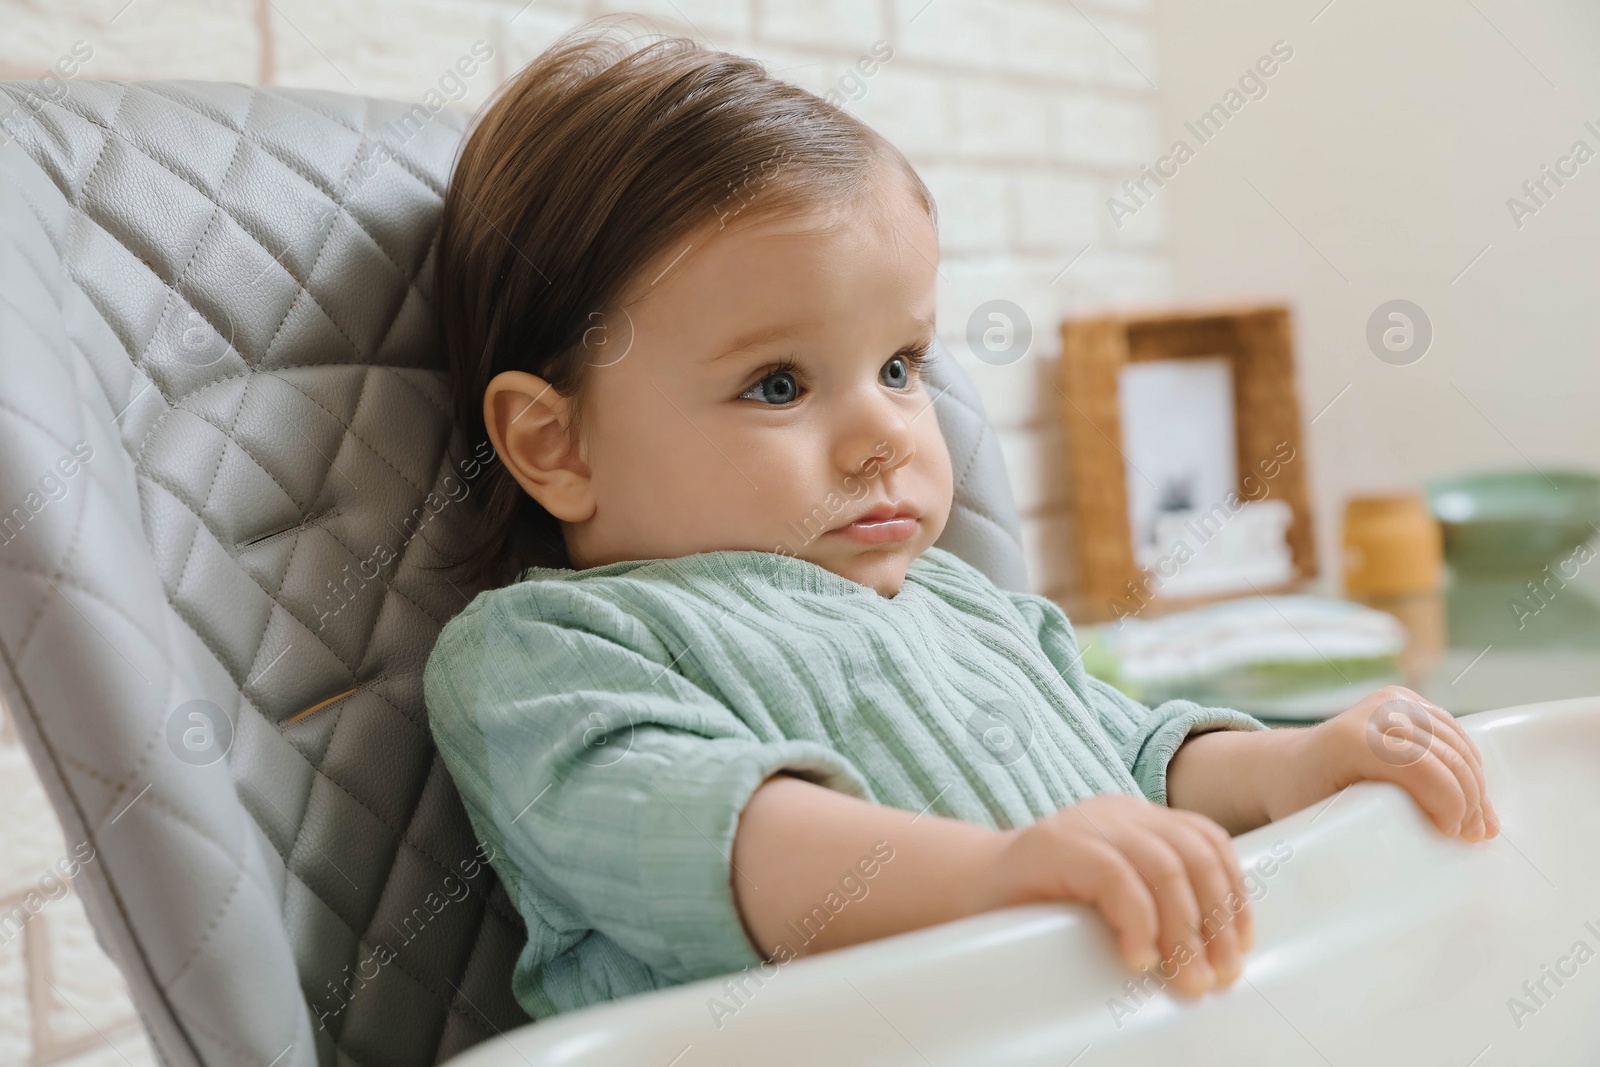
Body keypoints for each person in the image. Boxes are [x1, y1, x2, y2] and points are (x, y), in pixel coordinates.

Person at [423, 18, 1496, 1021]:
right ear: (553, 444)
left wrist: (1293, 766)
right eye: (778, 384)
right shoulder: (546, 653)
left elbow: (1129, 751)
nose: (882, 435)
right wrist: (993, 874)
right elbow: (707, 832)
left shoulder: (964, 603)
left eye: (898, 366)